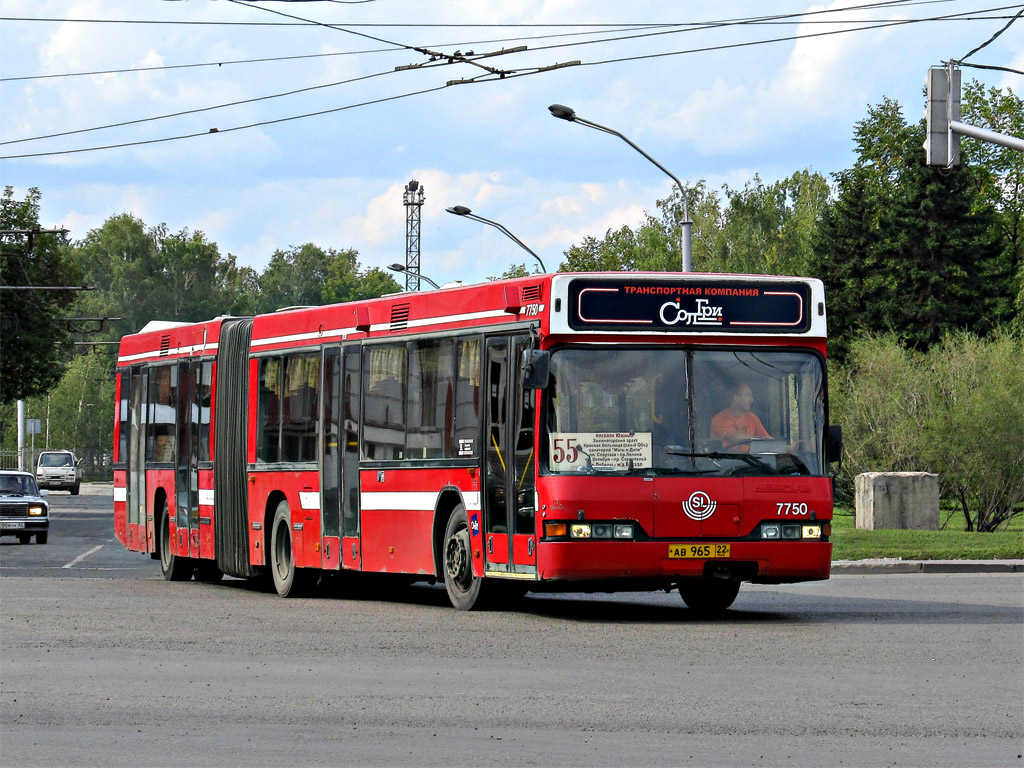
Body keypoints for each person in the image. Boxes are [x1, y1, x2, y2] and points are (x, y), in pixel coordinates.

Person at [710, 382, 771, 452]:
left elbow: (767, 439)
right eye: (748, 395)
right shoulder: (719, 419)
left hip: (753, 461)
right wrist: (764, 442)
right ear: (736, 398)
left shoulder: (752, 417)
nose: (752, 399)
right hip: (726, 461)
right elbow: (738, 438)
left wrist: (785, 449)